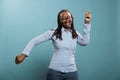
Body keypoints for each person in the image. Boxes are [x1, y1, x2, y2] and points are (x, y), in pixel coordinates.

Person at [15, 9, 92, 80]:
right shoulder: (54, 32)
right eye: (63, 19)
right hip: (55, 72)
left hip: (71, 72)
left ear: (72, 18)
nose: (66, 20)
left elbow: (84, 42)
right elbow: (35, 41)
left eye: (68, 17)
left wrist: (87, 23)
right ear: (60, 21)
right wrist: (24, 54)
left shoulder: (75, 33)